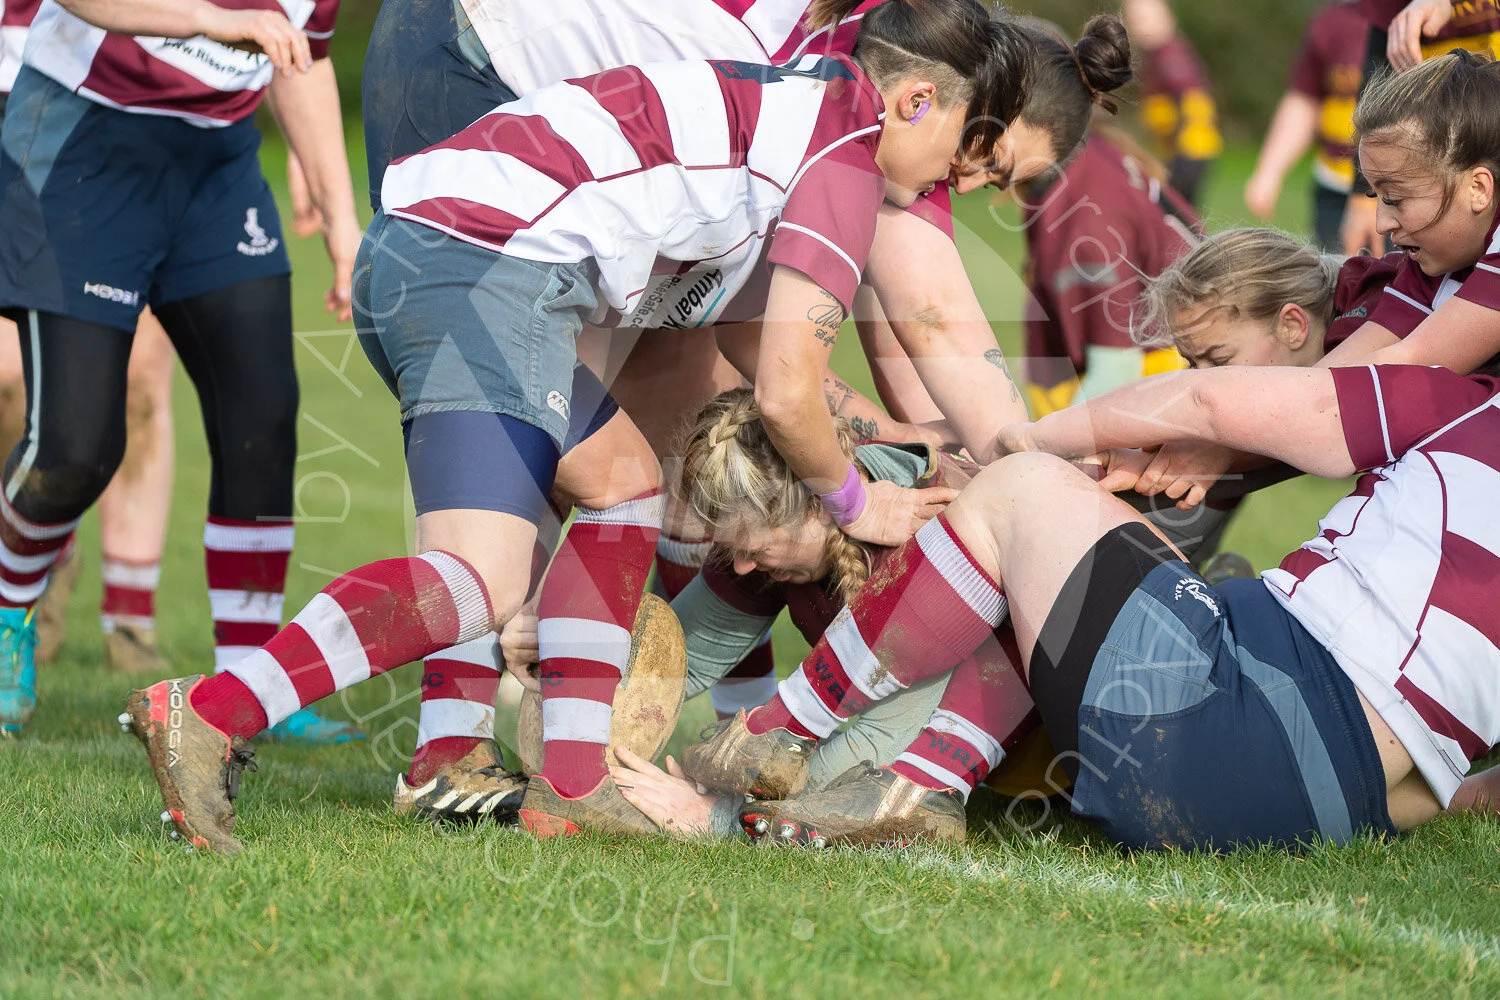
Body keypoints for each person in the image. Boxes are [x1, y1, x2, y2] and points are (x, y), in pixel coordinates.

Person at [120, 0, 1035, 851]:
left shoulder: (800, 105)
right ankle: (208, 714)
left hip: (463, 248)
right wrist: (857, 502)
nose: (956, 178)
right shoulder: (843, 148)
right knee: (479, 580)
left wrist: (896, 435)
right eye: (965, 150)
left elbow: (754, 335)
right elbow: (789, 394)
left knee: (623, 485)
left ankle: (569, 786)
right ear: (917, 99)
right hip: (485, 265)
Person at [679, 356, 1500, 850]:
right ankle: (916, 786)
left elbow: (1213, 399)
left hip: (1238, 722)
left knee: (1019, 492)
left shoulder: (1473, 406)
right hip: (1330, 810)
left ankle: (784, 728)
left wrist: (1028, 447)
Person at [0, 0, 361, 736]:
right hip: (81, 145)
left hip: (216, 168)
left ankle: (249, 680)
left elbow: (304, 59)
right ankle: (9, 616)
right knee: (74, 450)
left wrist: (344, 225)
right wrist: (208, 18)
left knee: (261, 413)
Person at [505, 388, 1042, 844]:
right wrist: (571, 664)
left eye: (752, 547)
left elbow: (874, 759)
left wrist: (715, 816)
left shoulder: (917, 536)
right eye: (731, 547)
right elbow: (674, 661)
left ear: (814, 507)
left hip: (1063, 755)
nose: (740, 565)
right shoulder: (769, 535)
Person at [1111, 50, 1500, 513]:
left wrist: (1214, 421)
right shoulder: (1424, 265)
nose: (1380, 224)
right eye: (1375, 196)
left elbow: (1409, 361)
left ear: (1478, 188)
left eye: (1395, 198)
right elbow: (1336, 378)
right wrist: (1223, 443)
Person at [1017, 127, 1198, 418]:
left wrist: (1049, 453)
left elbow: (1116, 366)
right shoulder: (1091, 153)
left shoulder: (1086, 213)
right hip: (1163, 371)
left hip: (1151, 390)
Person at [1340, 0, 1496, 256]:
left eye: (1391, 200)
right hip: (1436, 163)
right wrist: (1363, 196)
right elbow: (1379, 75)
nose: (1383, 224)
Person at [1139, 228, 1403, 369]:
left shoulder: (1379, 344)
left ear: (1292, 326)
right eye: (1193, 365)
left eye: (1220, 361)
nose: (1201, 382)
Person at [1244, 2, 1367, 251]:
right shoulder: (1332, 22)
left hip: (1399, 191)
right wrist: (1270, 171)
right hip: (1335, 187)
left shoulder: (1431, 16)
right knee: (1337, 279)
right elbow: (1304, 101)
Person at [1122, 0, 1221, 209]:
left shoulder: (1170, 55)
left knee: (1175, 210)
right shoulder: (1159, 54)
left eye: (1144, 20)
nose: (1139, 28)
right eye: (1134, 21)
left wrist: (1176, 154)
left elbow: (1189, 101)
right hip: (1184, 149)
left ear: (1167, 19)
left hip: (1187, 150)